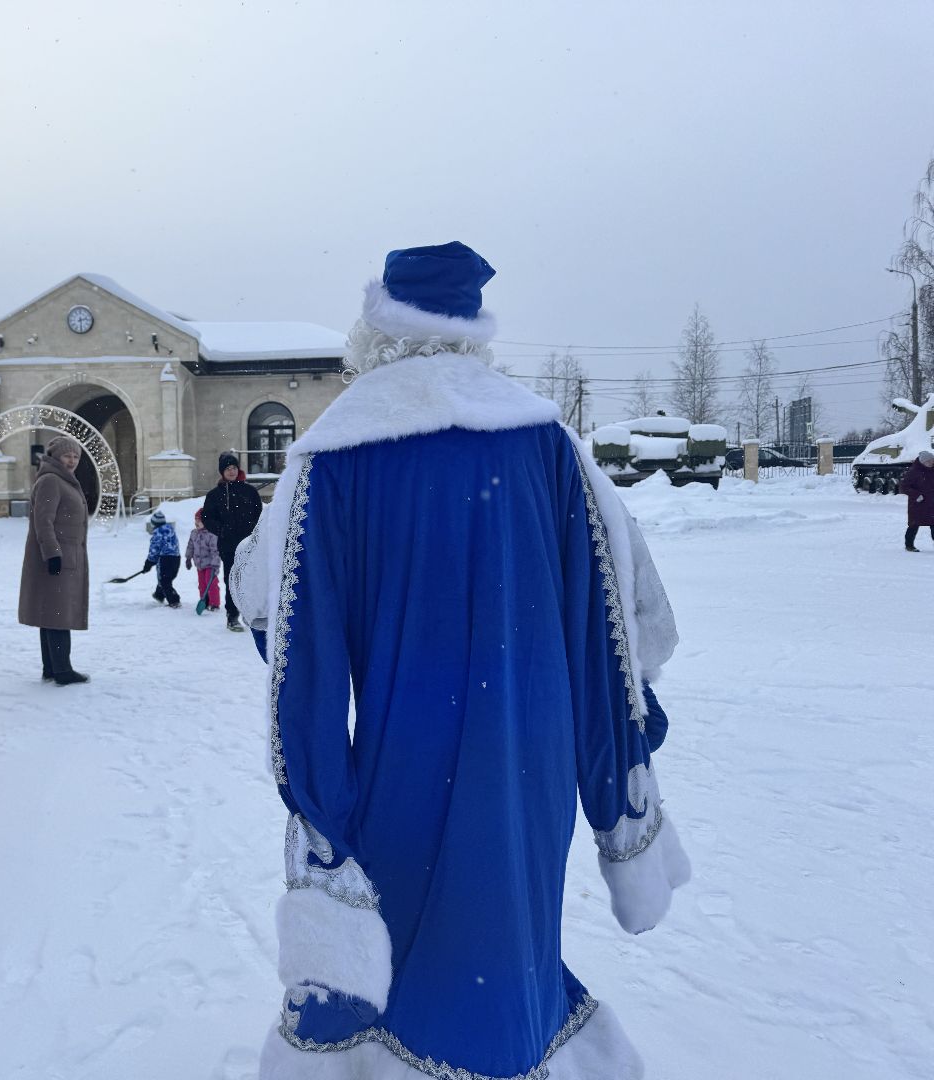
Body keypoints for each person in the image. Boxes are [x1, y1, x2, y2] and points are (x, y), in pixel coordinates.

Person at [231, 242, 689, 1080]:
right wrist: (605, 753)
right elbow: (624, 616)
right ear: (473, 332)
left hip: (408, 748)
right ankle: (511, 1046)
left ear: (377, 328)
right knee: (507, 919)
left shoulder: (336, 454)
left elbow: (279, 623)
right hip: (532, 751)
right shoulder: (546, 441)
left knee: (407, 920)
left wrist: (321, 789)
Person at [19, 435, 90, 685]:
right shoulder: (51, 481)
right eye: (66, 456)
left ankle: (51, 667)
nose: (71, 461)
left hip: (65, 555)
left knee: (51, 612)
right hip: (57, 557)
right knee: (59, 612)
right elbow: (43, 521)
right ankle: (62, 670)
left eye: (75, 456)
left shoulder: (63, 480)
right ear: (55, 457)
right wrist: (53, 554)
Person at [201, 451, 262, 631]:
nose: (232, 471)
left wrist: (254, 530)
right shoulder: (215, 495)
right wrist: (221, 529)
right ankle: (232, 616)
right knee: (232, 581)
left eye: (234, 467)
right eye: (228, 468)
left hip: (249, 544)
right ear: (222, 471)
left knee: (249, 579)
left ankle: (250, 613)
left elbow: (259, 515)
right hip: (228, 546)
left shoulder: (249, 491)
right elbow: (207, 517)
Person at [143, 508, 181, 608]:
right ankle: (159, 594)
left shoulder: (157, 533)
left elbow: (154, 549)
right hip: (176, 558)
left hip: (165, 559)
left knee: (164, 581)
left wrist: (149, 562)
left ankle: (174, 601)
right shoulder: (170, 529)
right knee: (166, 578)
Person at [185, 508, 221, 611]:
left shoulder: (212, 535)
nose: (196, 522)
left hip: (210, 564)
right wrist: (188, 558)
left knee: (211, 584)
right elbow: (190, 546)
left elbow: (215, 551)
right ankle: (204, 601)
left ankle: (214, 604)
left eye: (199, 520)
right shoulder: (194, 533)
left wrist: (215, 565)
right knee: (202, 584)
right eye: (195, 520)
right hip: (199, 564)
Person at [898, 450, 934, 551]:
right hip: (918, 505)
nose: (932, 462)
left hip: (932, 503)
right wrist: (916, 494)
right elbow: (903, 486)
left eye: (933, 460)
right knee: (914, 525)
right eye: (930, 461)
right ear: (923, 462)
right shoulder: (914, 472)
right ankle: (909, 545)